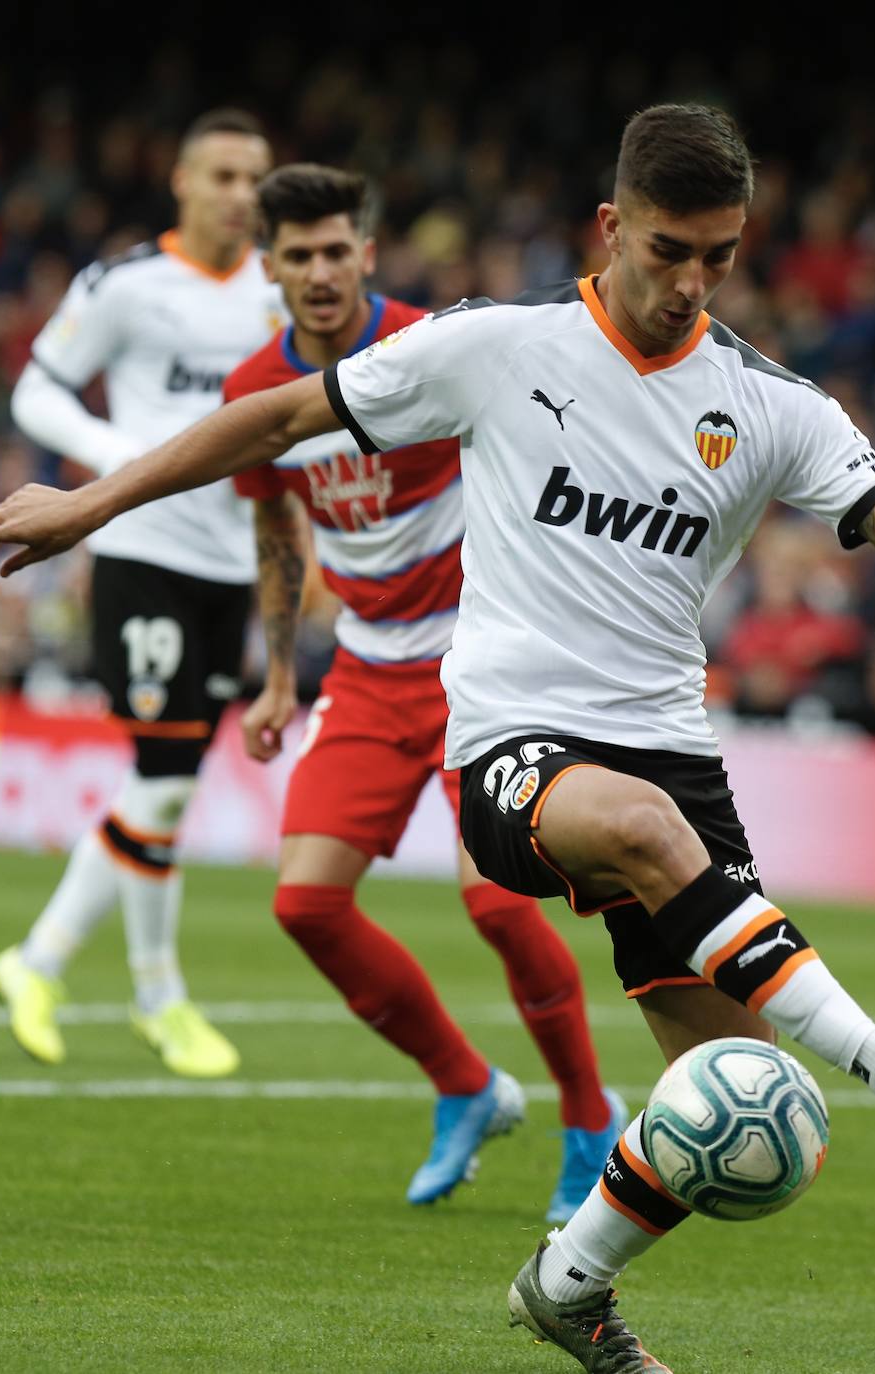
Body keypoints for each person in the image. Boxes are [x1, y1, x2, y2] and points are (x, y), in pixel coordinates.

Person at [0, 105, 875, 1374]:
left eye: (719, 258)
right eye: (668, 250)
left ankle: (568, 1288)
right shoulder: (497, 346)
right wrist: (89, 501)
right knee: (623, 833)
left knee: (740, 1114)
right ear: (610, 227)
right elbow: (276, 421)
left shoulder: (769, 404)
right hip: (515, 743)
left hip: (671, 759)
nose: (689, 284)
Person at [223, 162, 625, 1215]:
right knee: (305, 903)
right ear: (267, 266)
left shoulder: (433, 344)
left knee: (495, 902)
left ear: (365, 249)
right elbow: (276, 530)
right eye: (295, 255)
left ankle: (590, 1117)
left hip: (480, 665)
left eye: (334, 249)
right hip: (363, 666)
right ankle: (465, 1085)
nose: (317, 271)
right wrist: (275, 680)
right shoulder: (249, 391)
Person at [0, 109, 285, 1079]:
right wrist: (123, 465)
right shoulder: (127, 286)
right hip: (141, 548)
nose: (245, 195)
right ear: (184, 184)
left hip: (233, 569)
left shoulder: (278, 295)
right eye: (227, 177)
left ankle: (115, 985)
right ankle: (80, 972)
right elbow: (37, 390)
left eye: (257, 179)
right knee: (160, 777)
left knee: (166, 789)